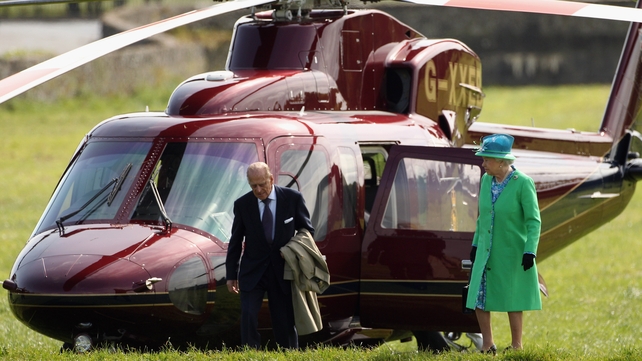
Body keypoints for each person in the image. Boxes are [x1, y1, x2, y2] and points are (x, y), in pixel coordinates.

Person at [465, 134, 542, 354]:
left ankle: (517, 346)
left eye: (486, 159)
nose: (483, 164)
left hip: (511, 251)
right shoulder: (486, 180)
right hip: (486, 250)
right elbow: (483, 215)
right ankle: (488, 345)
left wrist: (530, 251)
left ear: (501, 162)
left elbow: (533, 221)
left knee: (512, 297)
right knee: (479, 296)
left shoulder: (523, 183)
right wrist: (475, 244)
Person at [225, 162, 314, 349]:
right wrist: (231, 275)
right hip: (252, 270)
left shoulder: (292, 198)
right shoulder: (242, 204)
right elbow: (235, 240)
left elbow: (307, 230)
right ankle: (250, 353)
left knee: (284, 319)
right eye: (253, 186)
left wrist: (292, 249)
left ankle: (289, 353)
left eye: (262, 184)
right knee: (248, 315)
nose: (258, 190)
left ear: (271, 179)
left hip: (282, 271)